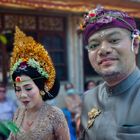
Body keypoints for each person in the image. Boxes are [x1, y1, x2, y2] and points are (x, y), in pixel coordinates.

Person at [79, 6, 140, 140]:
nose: (103, 50)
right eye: (94, 45)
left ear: (135, 44)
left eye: (114, 40)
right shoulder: (89, 99)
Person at [7, 27, 70, 140]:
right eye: (18, 89)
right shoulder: (18, 113)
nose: (22, 95)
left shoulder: (55, 115)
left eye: (28, 88)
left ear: (42, 88)